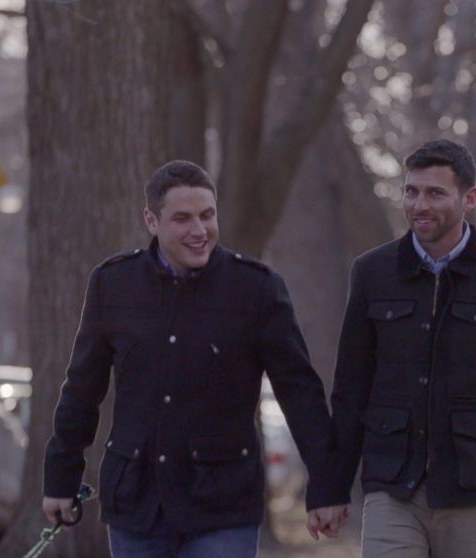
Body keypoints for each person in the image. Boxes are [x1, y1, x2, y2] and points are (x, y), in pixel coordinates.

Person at [41, 160, 348, 557]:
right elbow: (82, 389)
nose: (199, 231)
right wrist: (61, 478)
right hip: (137, 503)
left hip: (222, 505)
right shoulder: (113, 283)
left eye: (207, 216)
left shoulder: (255, 289)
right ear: (151, 220)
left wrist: (325, 486)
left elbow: (300, 392)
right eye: (183, 219)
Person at [331, 139, 476, 558]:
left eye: (435, 193)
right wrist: (330, 488)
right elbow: (350, 388)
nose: (420, 205)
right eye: (411, 191)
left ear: (469, 198)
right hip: (391, 485)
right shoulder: (372, 273)